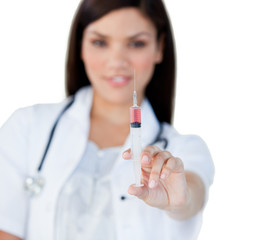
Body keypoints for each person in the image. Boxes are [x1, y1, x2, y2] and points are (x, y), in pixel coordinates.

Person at [0, 0, 214, 239]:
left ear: (159, 47)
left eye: (136, 43)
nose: (117, 61)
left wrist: (178, 199)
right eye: (100, 42)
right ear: (80, 45)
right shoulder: (28, 127)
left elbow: (191, 196)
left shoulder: (184, 149)